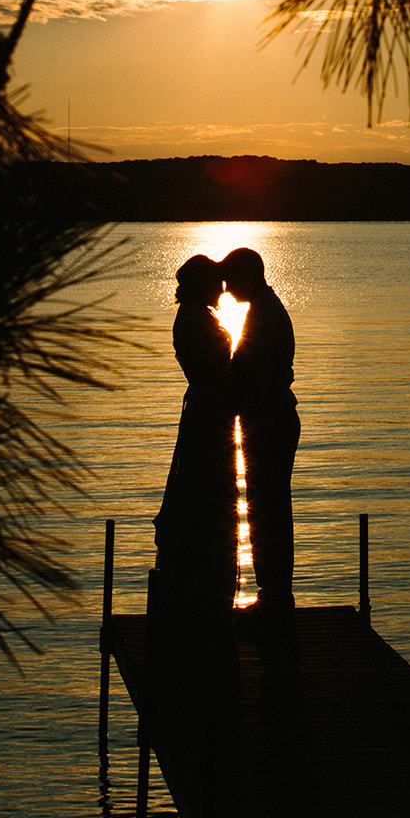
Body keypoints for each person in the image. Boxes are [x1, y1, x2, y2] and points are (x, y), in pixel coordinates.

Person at [153, 254, 238, 621]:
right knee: (206, 486)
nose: (223, 290)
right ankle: (204, 582)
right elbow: (216, 370)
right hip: (207, 415)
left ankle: (207, 579)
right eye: (217, 283)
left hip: (208, 411)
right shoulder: (194, 321)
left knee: (206, 488)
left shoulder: (196, 317)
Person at [222, 247, 300, 613]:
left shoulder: (263, 314)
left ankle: (274, 595)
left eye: (230, 279)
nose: (225, 287)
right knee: (268, 505)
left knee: (267, 507)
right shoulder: (263, 309)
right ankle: (274, 591)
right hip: (271, 418)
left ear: (246, 277)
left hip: (270, 421)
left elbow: (246, 371)